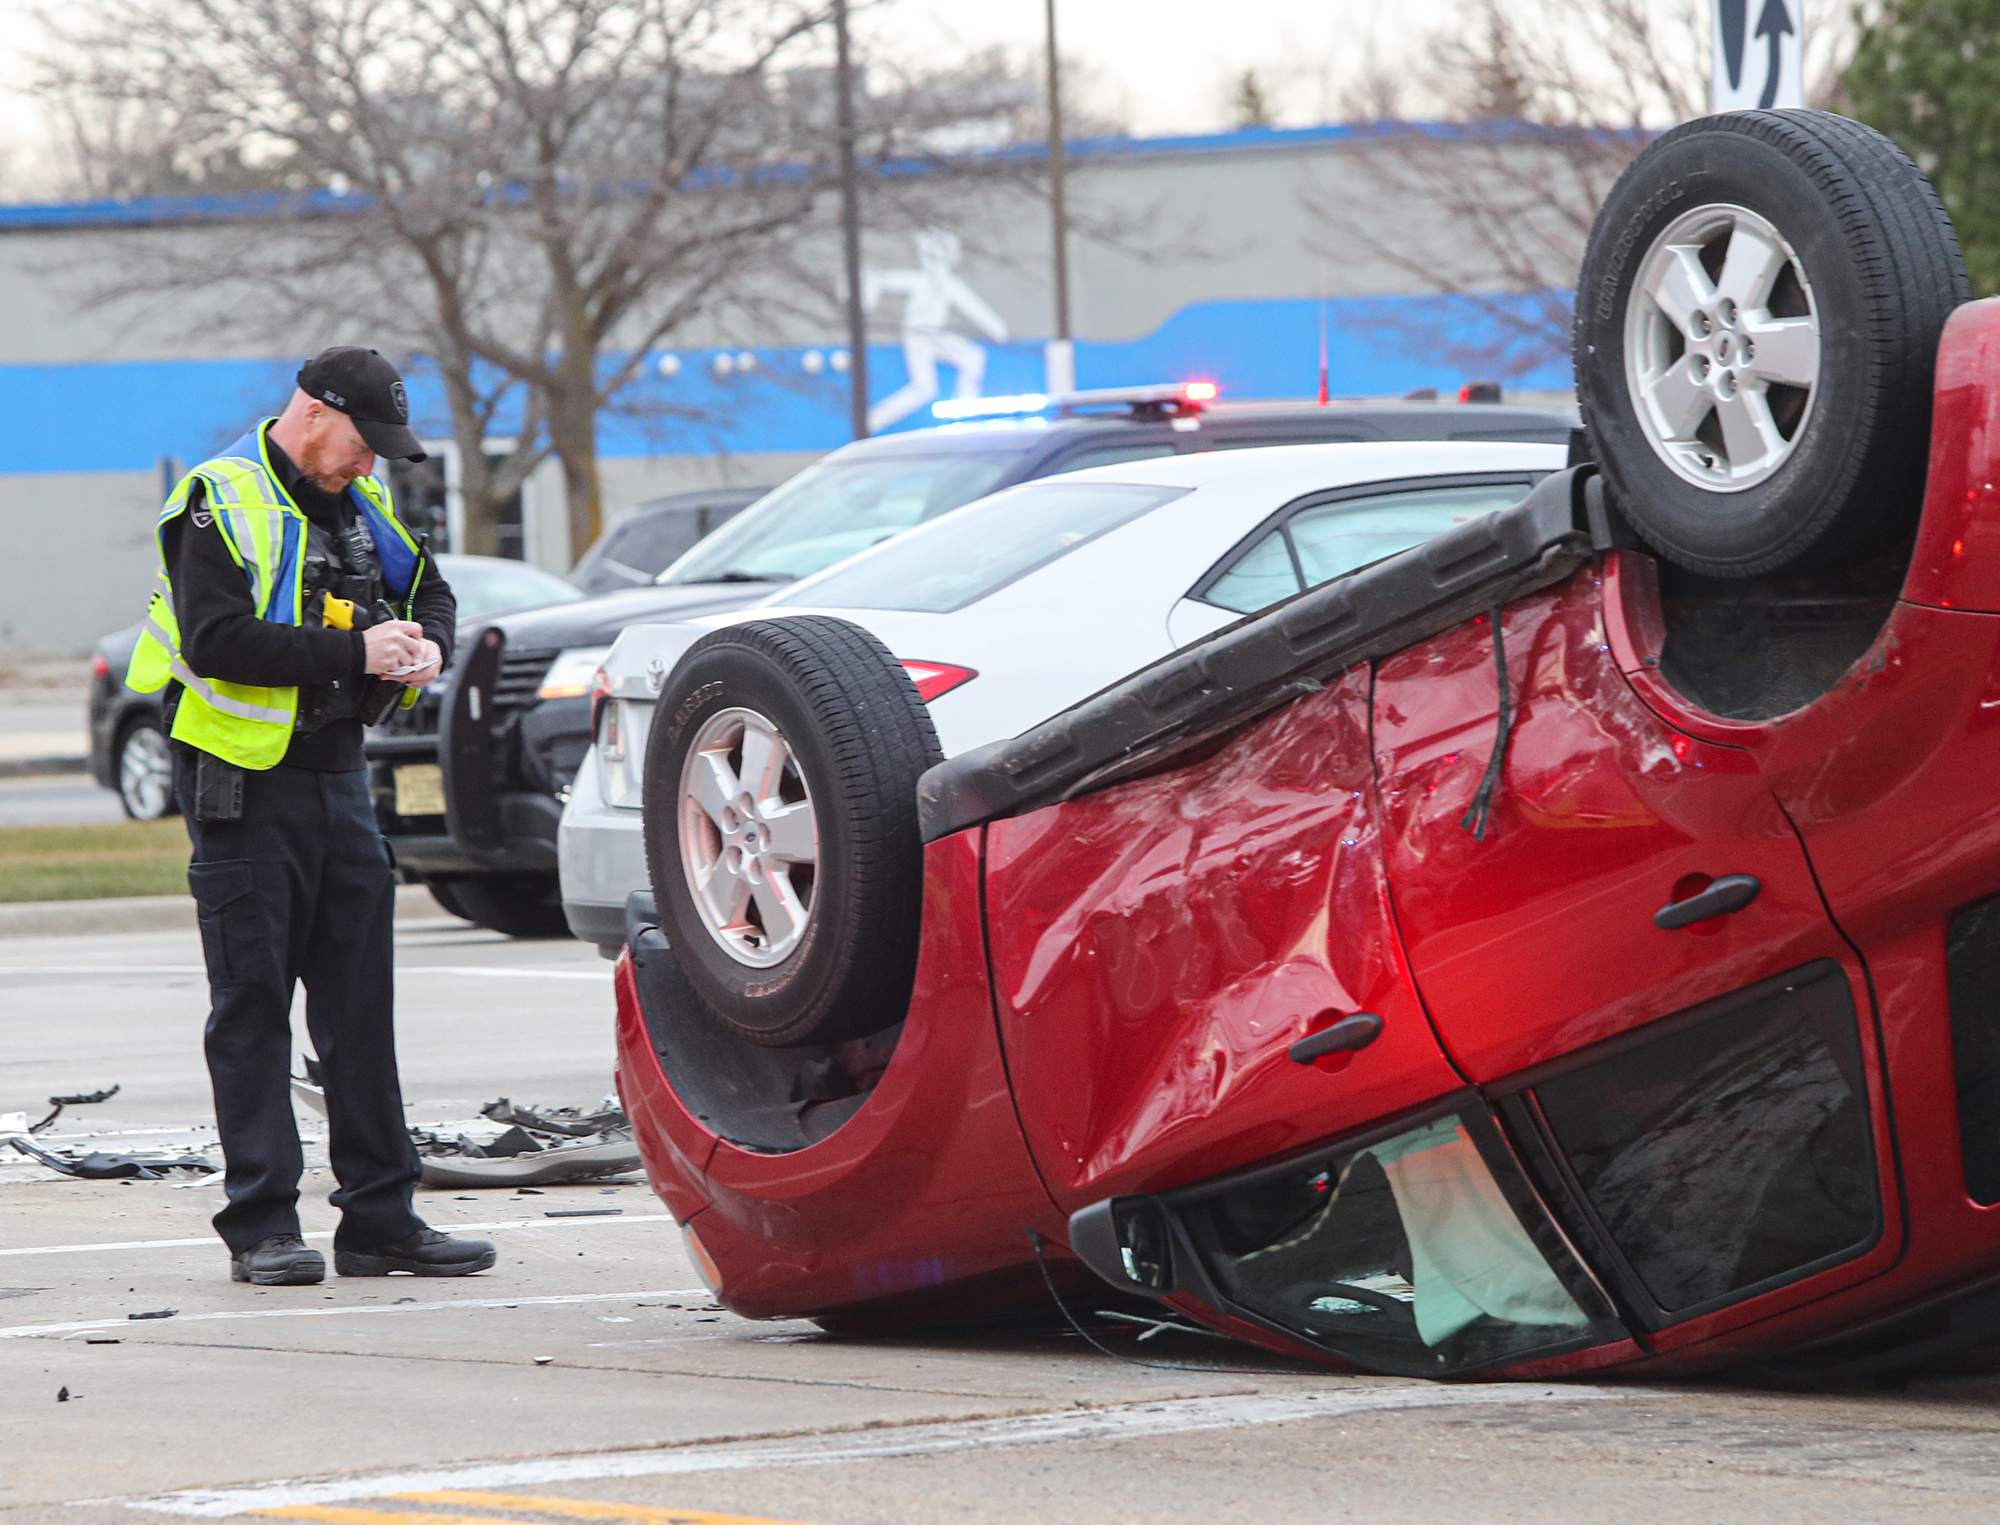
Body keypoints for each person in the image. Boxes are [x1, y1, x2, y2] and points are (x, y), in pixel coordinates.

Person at [128, 347, 496, 1286]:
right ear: (315, 413)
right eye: (365, 443)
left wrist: (426, 649)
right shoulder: (219, 499)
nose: (373, 463)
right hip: (243, 787)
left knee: (358, 1007)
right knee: (253, 1007)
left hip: (338, 780)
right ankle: (262, 1226)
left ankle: (381, 1221)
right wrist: (356, 652)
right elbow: (215, 641)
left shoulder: (363, 507)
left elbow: (434, 592)